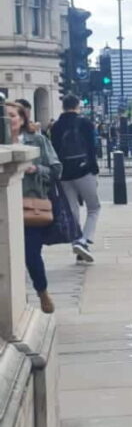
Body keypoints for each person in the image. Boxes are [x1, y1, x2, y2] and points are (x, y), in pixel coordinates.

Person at [8, 101, 62, 314]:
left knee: (31, 253)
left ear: (22, 119)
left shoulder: (37, 140)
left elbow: (56, 169)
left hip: (31, 206)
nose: (8, 119)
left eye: (12, 115)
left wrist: (35, 168)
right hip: (5, 207)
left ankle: (42, 291)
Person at [50, 94, 100, 264]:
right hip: (84, 170)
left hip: (64, 173)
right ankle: (84, 240)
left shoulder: (55, 126)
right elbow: (92, 148)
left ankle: (77, 240)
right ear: (77, 105)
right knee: (94, 208)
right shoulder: (85, 123)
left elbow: (54, 151)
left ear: (63, 106)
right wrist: (94, 169)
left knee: (72, 210)